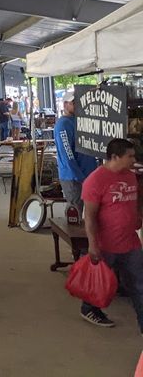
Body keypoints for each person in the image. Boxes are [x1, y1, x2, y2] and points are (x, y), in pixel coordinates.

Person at [78, 138, 143, 331]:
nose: (134, 160)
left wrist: (138, 214)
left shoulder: (130, 176)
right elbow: (89, 216)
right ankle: (89, 308)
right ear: (115, 157)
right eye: (129, 156)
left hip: (130, 241)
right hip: (106, 244)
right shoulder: (95, 181)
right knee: (101, 284)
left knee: (139, 284)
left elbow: (137, 199)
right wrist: (92, 244)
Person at [54, 92, 99, 214]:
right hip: (73, 176)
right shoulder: (63, 124)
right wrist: (79, 176)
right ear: (65, 104)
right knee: (75, 211)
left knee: (87, 210)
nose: (77, 105)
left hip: (86, 173)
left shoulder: (80, 120)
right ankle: (72, 232)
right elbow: (67, 153)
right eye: (73, 103)